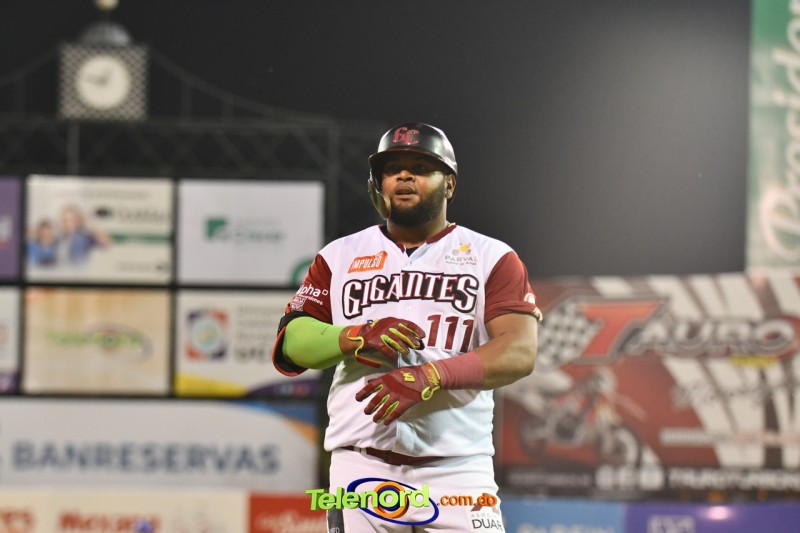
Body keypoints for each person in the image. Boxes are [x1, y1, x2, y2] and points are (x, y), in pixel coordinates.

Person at [272, 122, 542, 532]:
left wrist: (432, 374)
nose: (403, 176)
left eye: (420, 167)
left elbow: (520, 351)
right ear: (377, 184)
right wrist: (355, 336)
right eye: (392, 168)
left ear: (449, 184)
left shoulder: (492, 256)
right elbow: (293, 342)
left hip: (458, 469)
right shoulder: (339, 255)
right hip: (361, 465)